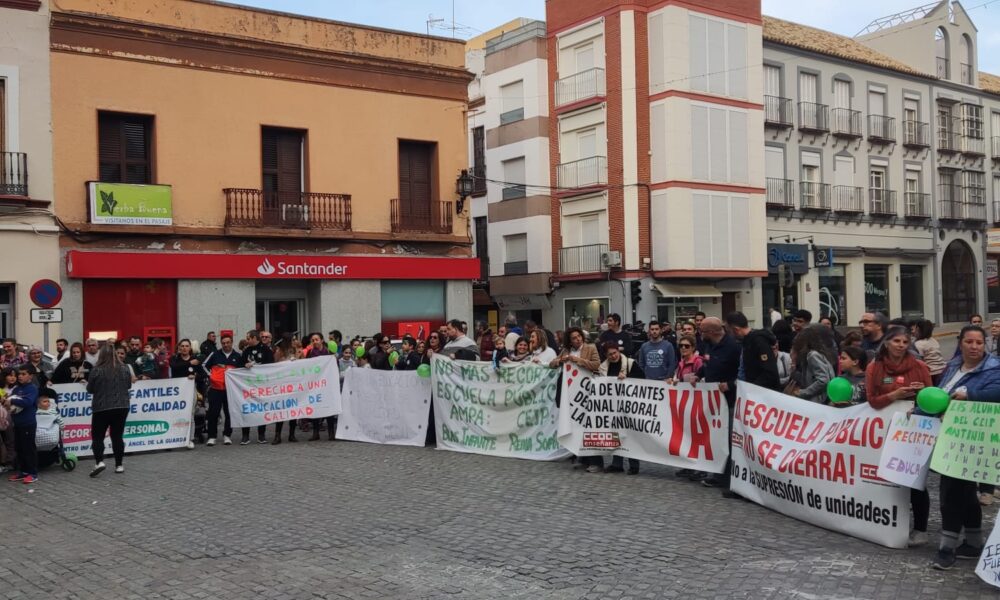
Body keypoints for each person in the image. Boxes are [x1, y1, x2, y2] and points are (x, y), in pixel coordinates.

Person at [929, 325, 1000, 569]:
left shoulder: (994, 368)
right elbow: (940, 394)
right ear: (960, 343)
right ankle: (973, 542)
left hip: (974, 440)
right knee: (966, 491)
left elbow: (996, 393)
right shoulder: (952, 367)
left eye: (979, 342)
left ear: (985, 344)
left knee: (952, 493)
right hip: (950, 436)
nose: (974, 347)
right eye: (969, 341)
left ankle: (946, 549)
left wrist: (970, 393)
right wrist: (919, 410)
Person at [865, 326, 932, 550]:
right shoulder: (875, 367)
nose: (901, 346)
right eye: (897, 341)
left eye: (905, 342)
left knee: (915, 481)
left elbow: (932, 399)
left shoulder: (920, 366)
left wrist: (920, 394)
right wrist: (894, 395)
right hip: (885, 429)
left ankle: (920, 529)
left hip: (914, 431)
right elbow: (872, 399)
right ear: (887, 343)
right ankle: (888, 521)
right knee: (887, 478)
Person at [697, 317, 741, 490]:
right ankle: (718, 473)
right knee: (716, 438)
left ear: (713, 332)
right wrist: (698, 374)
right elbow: (709, 364)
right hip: (714, 402)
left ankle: (728, 479)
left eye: (702, 331)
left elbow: (743, 372)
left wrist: (730, 385)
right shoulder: (710, 345)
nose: (700, 335)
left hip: (729, 401)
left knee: (728, 441)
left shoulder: (733, 348)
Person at [85, 344, 133, 477]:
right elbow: (128, 385)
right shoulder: (125, 368)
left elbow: (90, 389)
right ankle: (119, 465)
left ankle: (99, 462)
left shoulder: (96, 370)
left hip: (101, 407)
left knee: (98, 436)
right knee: (117, 436)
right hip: (122, 406)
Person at [598, 342, 644, 474]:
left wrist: (628, 378)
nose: (613, 356)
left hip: (630, 406)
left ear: (618, 351)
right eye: (609, 354)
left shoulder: (630, 363)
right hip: (613, 407)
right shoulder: (603, 368)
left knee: (631, 435)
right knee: (616, 435)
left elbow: (642, 379)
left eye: (614, 353)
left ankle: (634, 465)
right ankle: (617, 464)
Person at [202, 334, 244, 446]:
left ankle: (227, 435)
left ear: (232, 342)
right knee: (213, 413)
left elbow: (242, 371)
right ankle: (212, 436)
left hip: (230, 390)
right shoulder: (215, 354)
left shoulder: (238, 356)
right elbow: (204, 365)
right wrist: (212, 376)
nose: (226, 345)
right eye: (223, 343)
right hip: (215, 389)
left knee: (229, 413)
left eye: (228, 342)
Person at [726, 311, 781, 392]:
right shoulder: (747, 341)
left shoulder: (758, 341)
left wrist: (751, 388)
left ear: (736, 330)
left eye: (729, 331)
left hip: (763, 394)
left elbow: (769, 372)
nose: (730, 335)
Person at [786, 325, 837, 403]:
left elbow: (823, 380)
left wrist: (803, 392)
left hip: (817, 399)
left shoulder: (812, 355)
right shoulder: (816, 354)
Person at [4, 367, 38, 483]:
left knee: (28, 449)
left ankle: (33, 473)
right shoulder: (16, 389)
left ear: (30, 376)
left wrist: (12, 401)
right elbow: (8, 401)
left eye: (23, 374)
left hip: (28, 424)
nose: (20, 376)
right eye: (19, 374)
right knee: (19, 449)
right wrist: (6, 401)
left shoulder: (32, 389)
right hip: (16, 424)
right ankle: (23, 472)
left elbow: (28, 402)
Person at [303, 332, 336, 441]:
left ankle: (331, 432)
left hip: (327, 384)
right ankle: (315, 433)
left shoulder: (328, 352)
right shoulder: (310, 353)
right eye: (312, 340)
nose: (315, 342)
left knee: (328, 407)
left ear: (322, 340)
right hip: (315, 385)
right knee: (315, 408)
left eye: (317, 339)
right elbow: (305, 366)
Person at [911, 319, 946, 385]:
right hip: (942, 370)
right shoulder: (933, 340)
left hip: (931, 373)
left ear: (918, 329)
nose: (913, 331)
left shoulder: (919, 344)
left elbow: (919, 361)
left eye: (915, 329)